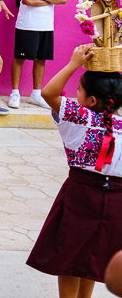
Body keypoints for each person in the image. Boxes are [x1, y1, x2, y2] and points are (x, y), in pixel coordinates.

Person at [27, 44, 122, 298]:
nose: (75, 94)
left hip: (81, 194)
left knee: (71, 257)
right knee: (92, 256)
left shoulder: (81, 117)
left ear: (90, 100)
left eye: (78, 90)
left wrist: (73, 64)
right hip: (116, 199)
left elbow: (48, 92)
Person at [9, 0, 67, 109]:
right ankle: (15, 93)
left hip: (46, 26)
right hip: (27, 25)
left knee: (41, 59)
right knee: (19, 58)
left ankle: (36, 93)